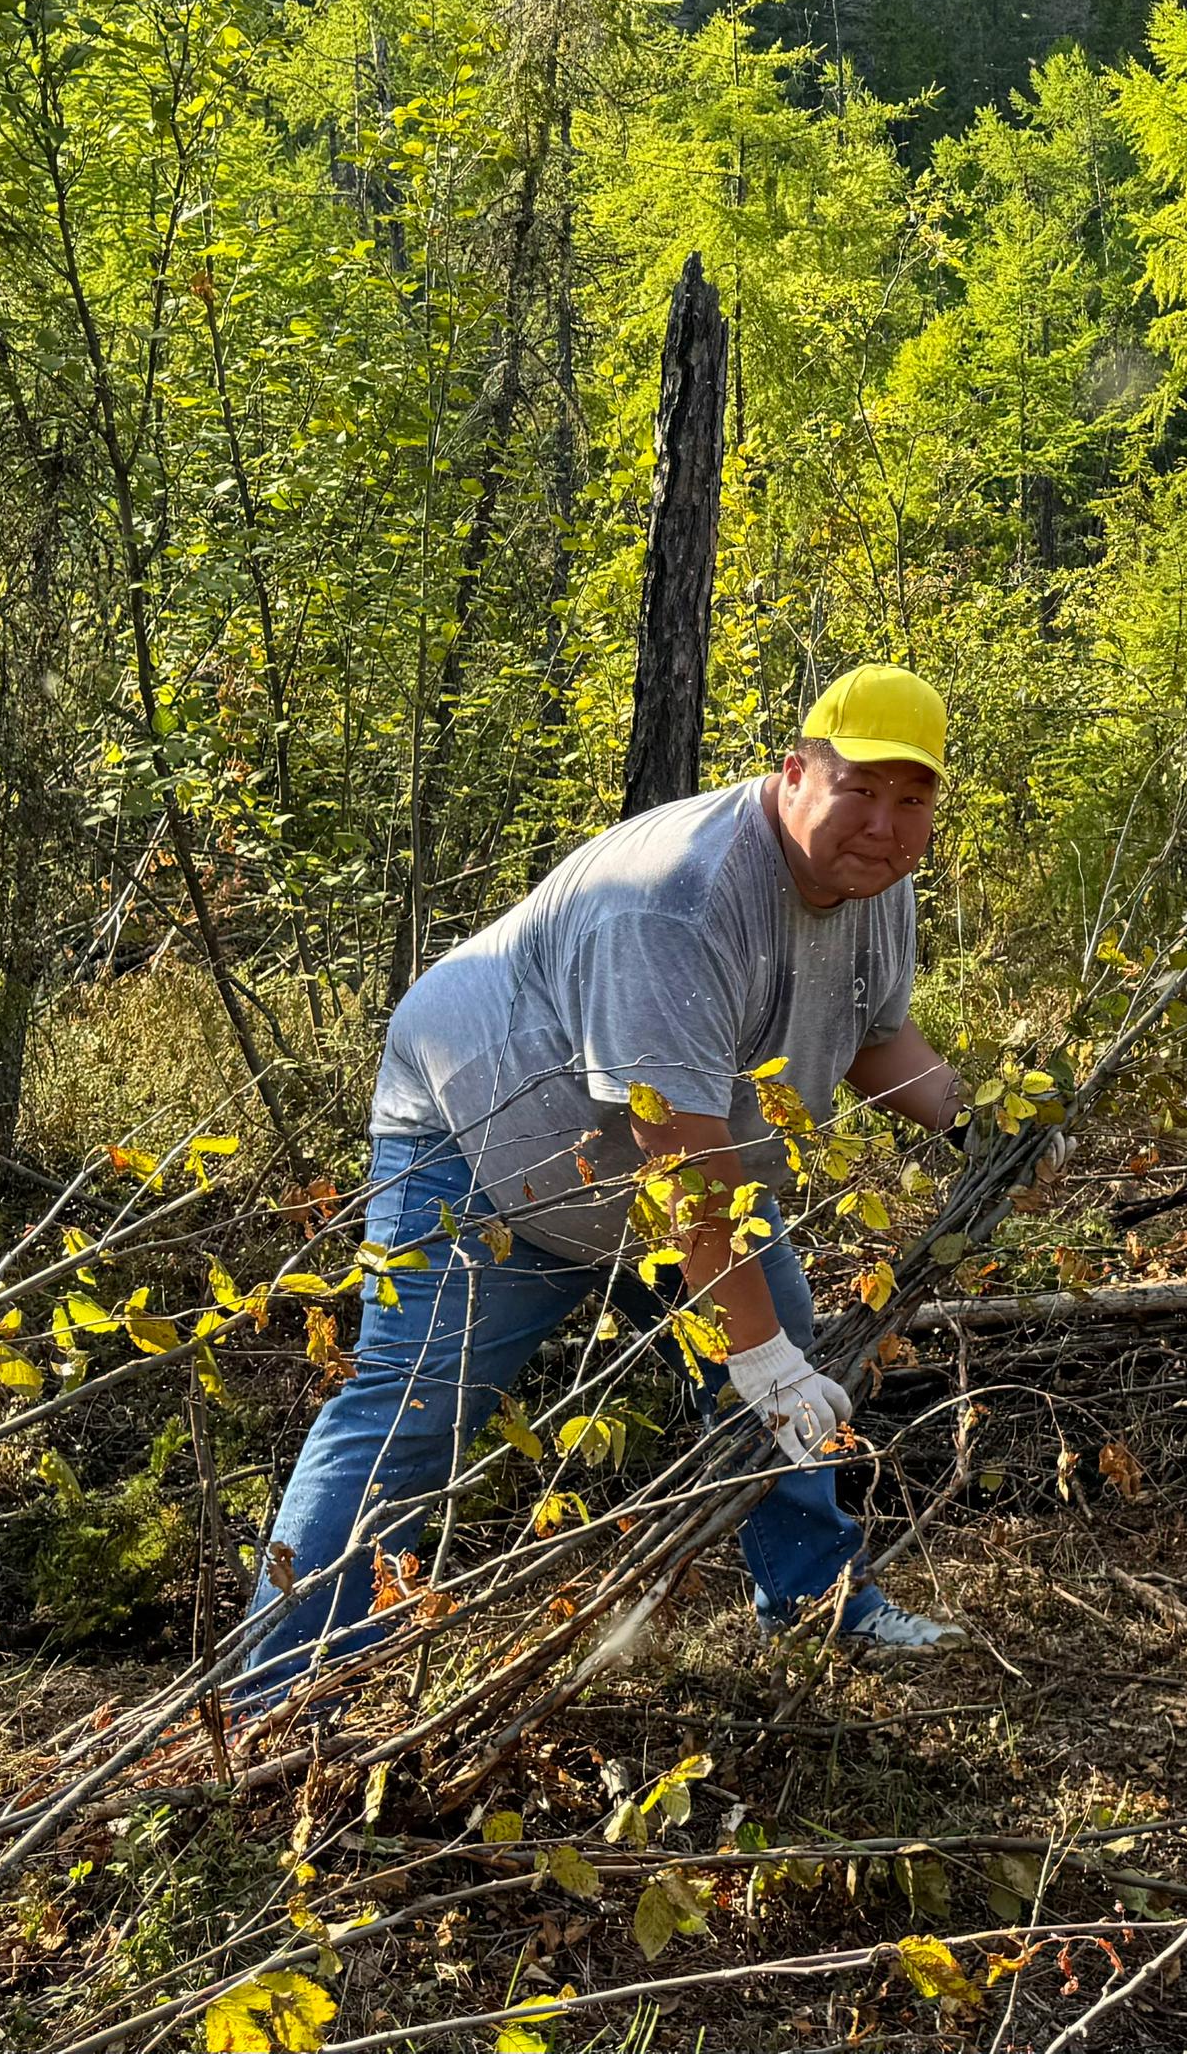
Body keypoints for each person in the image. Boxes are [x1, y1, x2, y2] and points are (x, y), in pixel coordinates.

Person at [237, 664, 973, 1706]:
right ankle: (278, 1686)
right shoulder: (678, 894)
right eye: (859, 787)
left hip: (677, 1171)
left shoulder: (874, 884)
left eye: (911, 799)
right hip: (484, 1148)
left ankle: (821, 1607)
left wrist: (979, 1126)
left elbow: (876, 1028)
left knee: (781, 1372)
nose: (883, 824)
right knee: (406, 1414)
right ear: (795, 769)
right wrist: (757, 1357)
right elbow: (678, 1155)